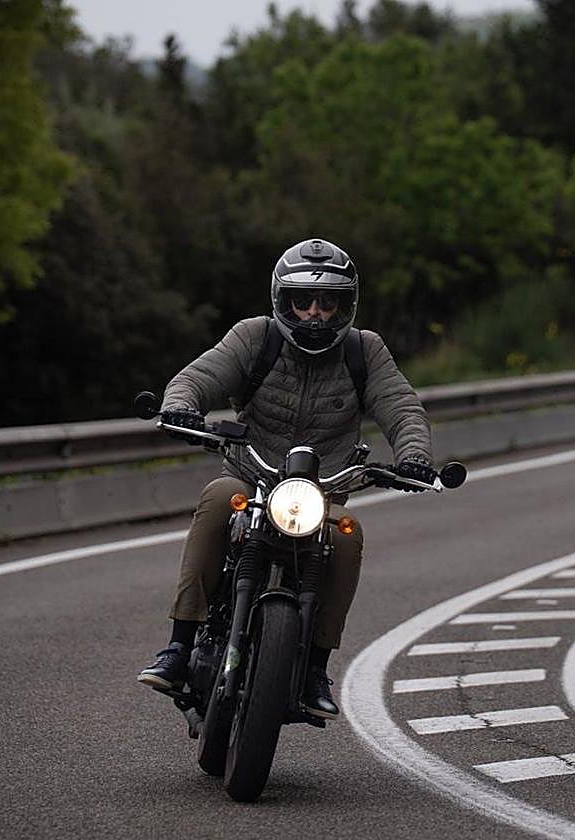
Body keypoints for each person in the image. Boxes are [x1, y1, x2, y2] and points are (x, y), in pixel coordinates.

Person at [137, 237, 436, 719]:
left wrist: (414, 455)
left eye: (327, 302)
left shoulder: (365, 350)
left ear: (345, 305)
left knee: (347, 535)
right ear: (283, 299)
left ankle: (316, 667)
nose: (315, 313)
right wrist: (180, 407)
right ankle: (179, 644)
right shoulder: (254, 337)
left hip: (322, 492)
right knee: (218, 497)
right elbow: (197, 377)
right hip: (250, 481)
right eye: (303, 300)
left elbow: (402, 408)